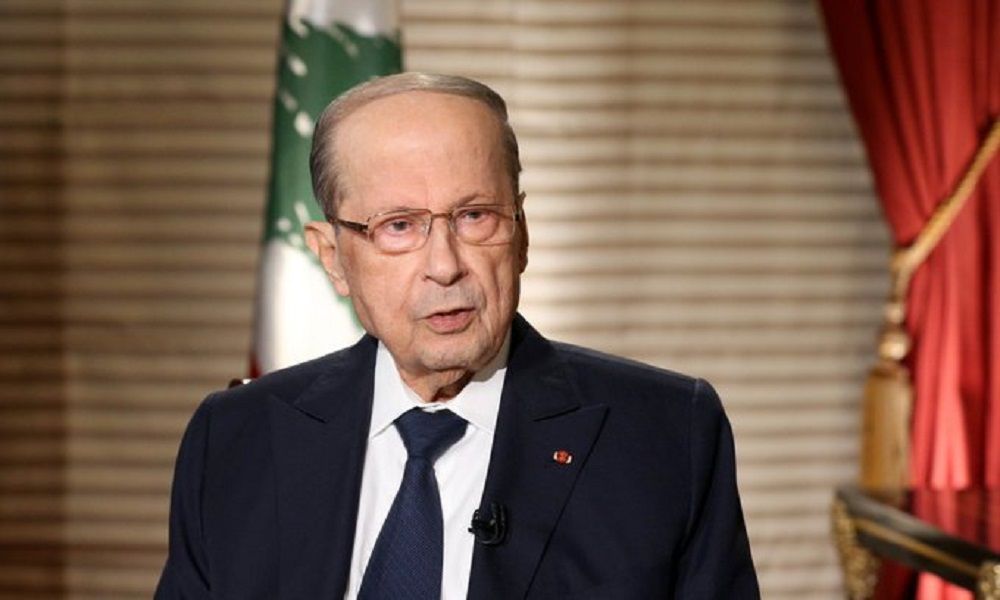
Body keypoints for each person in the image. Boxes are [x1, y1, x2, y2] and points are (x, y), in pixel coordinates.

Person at [156, 72, 759, 599]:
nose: (445, 266)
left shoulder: (665, 434)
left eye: (475, 216)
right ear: (333, 258)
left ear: (521, 235)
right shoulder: (234, 440)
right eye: (399, 226)